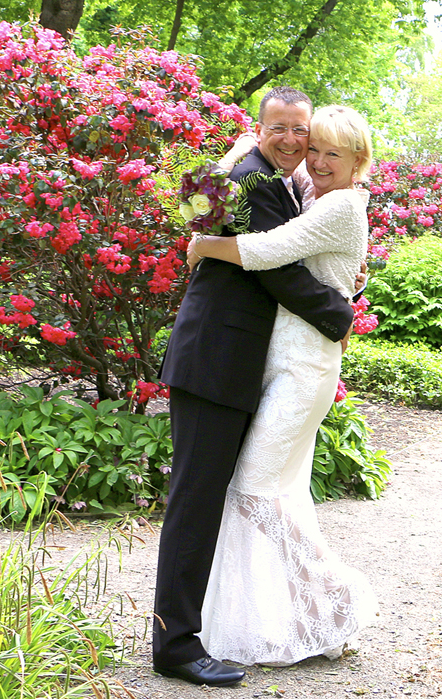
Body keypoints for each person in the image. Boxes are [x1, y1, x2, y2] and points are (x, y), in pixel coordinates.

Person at [153, 88, 355, 687]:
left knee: (206, 496)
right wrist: (339, 314)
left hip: (230, 363)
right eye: (281, 129)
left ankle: (194, 630)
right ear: (259, 127)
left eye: (303, 131)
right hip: (215, 361)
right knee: (195, 501)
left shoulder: (258, 174)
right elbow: (277, 266)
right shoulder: (258, 181)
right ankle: (176, 647)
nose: (294, 141)